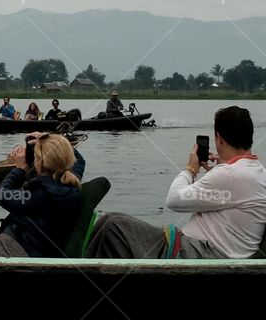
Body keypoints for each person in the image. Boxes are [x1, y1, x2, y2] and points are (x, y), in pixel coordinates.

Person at [86, 106, 266, 259]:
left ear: (219, 138)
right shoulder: (255, 171)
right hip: (200, 248)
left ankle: (79, 274)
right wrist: (218, 171)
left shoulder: (230, 174)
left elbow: (174, 200)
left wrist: (190, 170)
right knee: (107, 221)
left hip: (200, 254)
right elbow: (228, 194)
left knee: (113, 226)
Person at [0, 133, 86, 257]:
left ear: (40, 164)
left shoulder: (40, 196)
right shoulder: (69, 184)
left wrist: (20, 169)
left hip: (17, 249)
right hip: (34, 247)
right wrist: (47, 138)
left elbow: (2, 195)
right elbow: (79, 160)